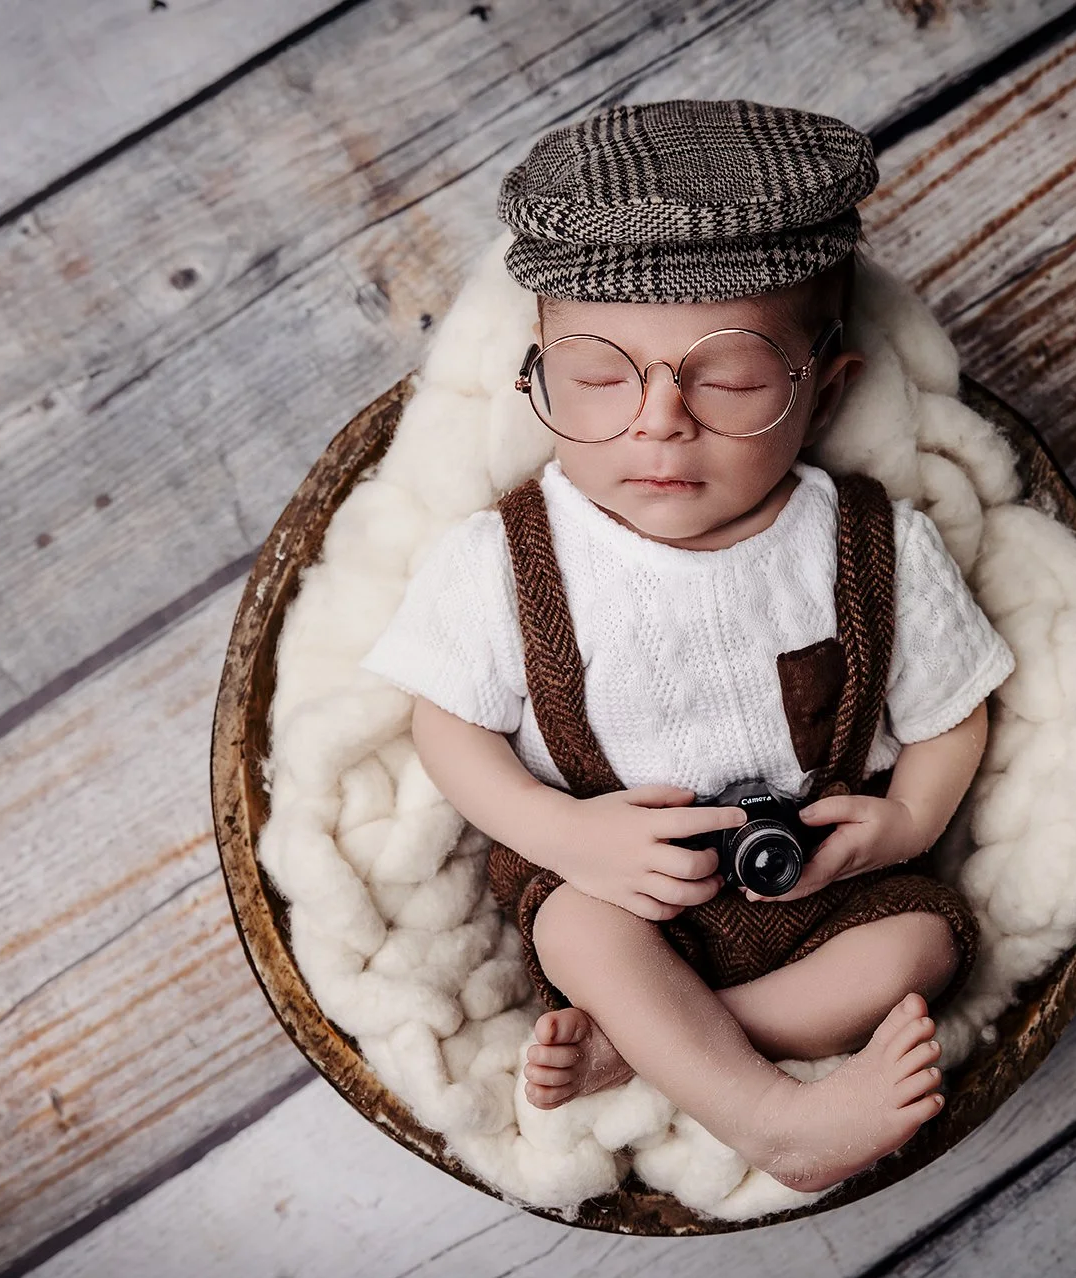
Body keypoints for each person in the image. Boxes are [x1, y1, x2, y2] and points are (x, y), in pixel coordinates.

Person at [360, 100, 1014, 1194]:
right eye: (601, 377)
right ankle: (770, 1116)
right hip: (610, 884)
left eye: (730, 377)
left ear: (823, 394)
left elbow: (956, 714)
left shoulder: (869, 546)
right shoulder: (507, 556)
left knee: (923, 951)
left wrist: (906, 821)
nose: (659, 420)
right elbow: (447, 725)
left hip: (808, 890)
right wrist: (562, 835)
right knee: (578, 935)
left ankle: (667, 1044)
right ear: (536, 379)